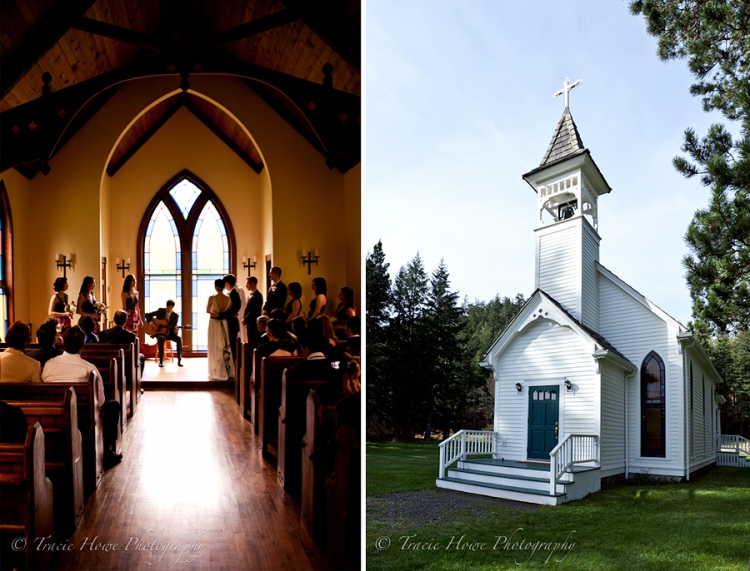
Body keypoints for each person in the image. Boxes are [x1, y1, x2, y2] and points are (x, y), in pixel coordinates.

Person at [42, 326, 122, 466]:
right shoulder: (89, 369)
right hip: (82, 419)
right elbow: (101, 400)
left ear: (64, 343)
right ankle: (106, 451)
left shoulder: (49, 364)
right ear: (82, 346)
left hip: (51, 416)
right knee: (112, 406)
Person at [100, 310, 146, 377]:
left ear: (114, 319)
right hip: (125, 364)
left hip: (107, 362)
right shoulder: (131, 336)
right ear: (125, 321)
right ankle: (136, 380)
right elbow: (134, 353)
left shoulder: (103, 333)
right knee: (141, 356)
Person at [207, 279, 235, 381]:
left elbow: (207, 310)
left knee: (214, 345)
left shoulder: (212, 298)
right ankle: (226, 370)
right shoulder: (229, 299)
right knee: (224, 344)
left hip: (214, 323)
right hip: (224, 323)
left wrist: (214, 311)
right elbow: (229, 311)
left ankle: (215, 370)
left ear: (215, 286)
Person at [144, 301, 183, 367]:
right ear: (166, 306)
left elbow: (174, 326)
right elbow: (147, 315)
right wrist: (152, 324)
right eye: (167, 307)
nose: (169, 309)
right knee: (161, 338)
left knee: (179, 339)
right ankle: (161, 361)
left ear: (173, 307)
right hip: (160, 333)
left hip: (170, 334)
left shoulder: (175, 316)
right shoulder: (160, 311)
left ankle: (179, 361)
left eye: (170, 307)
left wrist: (175, 331)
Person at [216, 274, 241, 362]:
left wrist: (220, 315)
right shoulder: (231, 293)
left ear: (227, 283)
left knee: (232, 345)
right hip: (229, 322)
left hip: (232, 323)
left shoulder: (234, 294)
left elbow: (234, 310)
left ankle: (234, 365)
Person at [242, 276, 263, 342]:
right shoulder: (252, 295)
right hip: (250, 323)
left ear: (253, 284)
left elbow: (253, 310)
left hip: (253, 322)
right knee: (250, 340)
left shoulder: (257, 295)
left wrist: (245, 319)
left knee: (253, 341)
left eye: (247, 283)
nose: (246, 285)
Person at [236, 275, 248, 344]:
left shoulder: (239, 290)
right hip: (237, 316)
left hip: (240, 315)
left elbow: (242, 305)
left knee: (241, 334)